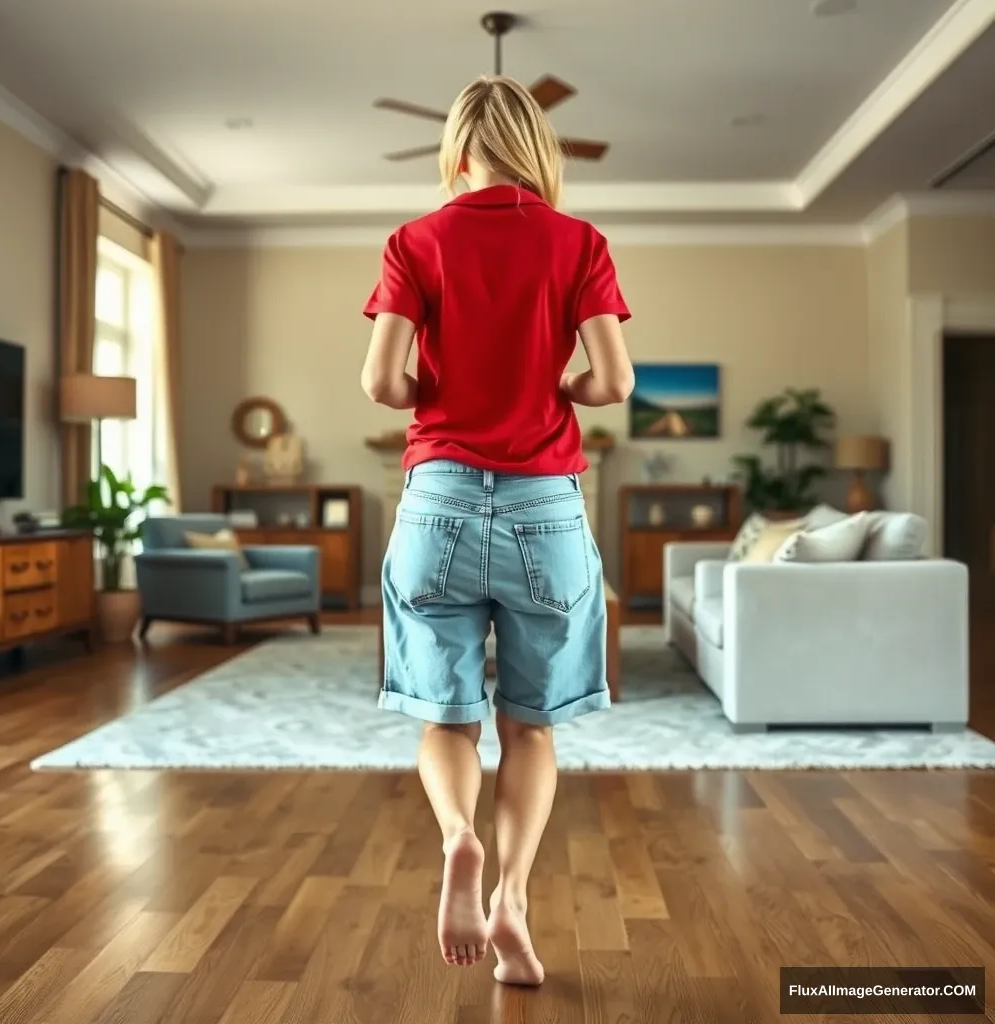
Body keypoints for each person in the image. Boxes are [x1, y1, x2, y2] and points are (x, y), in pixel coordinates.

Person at [360, 74, 633, 987]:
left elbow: (382, 383)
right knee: (533, 728)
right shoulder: (579, 241)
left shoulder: (415, 240)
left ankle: (458, 838)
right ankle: (512, 896)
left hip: (436, 499)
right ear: (536, 149)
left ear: (459, 150)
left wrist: (432, 392)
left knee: (444, 713)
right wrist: (556, 390)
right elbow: (614, 382)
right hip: (544, 506)